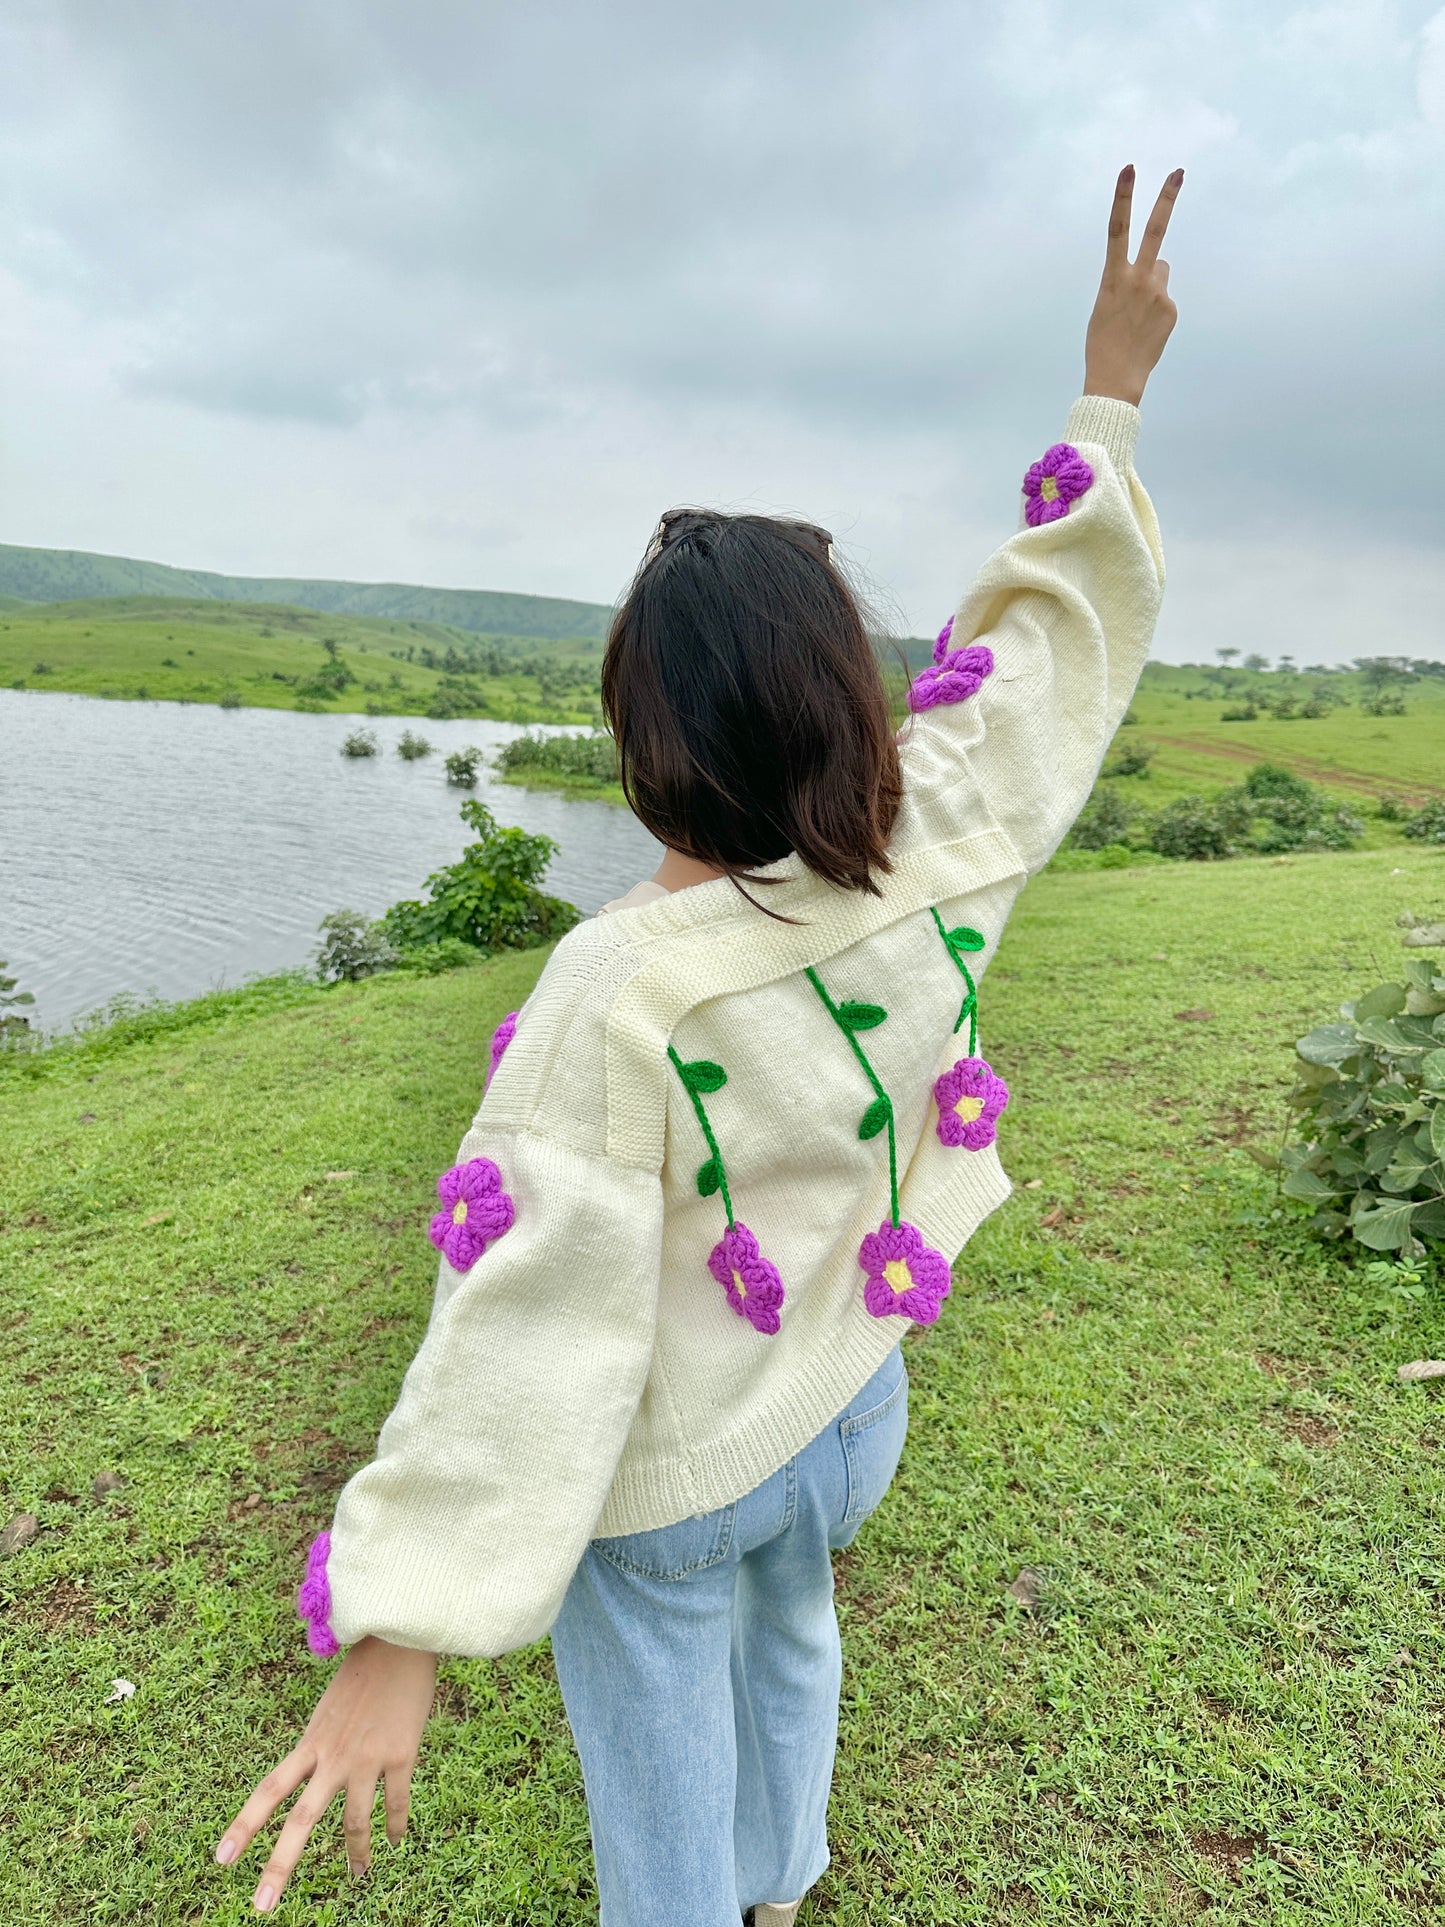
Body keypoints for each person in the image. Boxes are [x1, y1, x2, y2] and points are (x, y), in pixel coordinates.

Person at [217, 163, 1182, 1924]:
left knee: (656, 1726)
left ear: (638, 732)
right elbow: (1048, 657)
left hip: (673, 1473)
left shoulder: (620, 981)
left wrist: (401, 1630)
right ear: (854, 703)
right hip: (846, 1406)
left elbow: (528, 1310)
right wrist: (1106, 394)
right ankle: (780, 1884)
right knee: (793, 1632)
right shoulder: (938, 844)